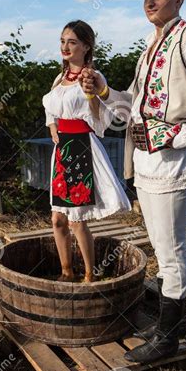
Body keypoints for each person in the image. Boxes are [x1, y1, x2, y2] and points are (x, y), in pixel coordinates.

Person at [80, 0, 186, 359]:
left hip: (170, 162)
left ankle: (168, 339)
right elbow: (131, 105)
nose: (149, 1)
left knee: (171, 249)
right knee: (163, 246)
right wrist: (102, 88)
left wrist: (174, 137)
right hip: (146, 162)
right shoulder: (151, 45)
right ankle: (168, 326)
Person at [42, 20, 131, 283]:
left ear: (86, 46)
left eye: (72, 42)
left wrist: (92, 95)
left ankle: (90, 274)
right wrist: (51, 126)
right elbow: (51, 107)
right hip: (61, 150)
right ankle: (66, 271)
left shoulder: (92, 76)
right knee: (57, 219)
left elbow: (100, 119)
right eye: (62, 41)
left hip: (81, 147)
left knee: (76, 220)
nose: (65, 47)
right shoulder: (60, 78)